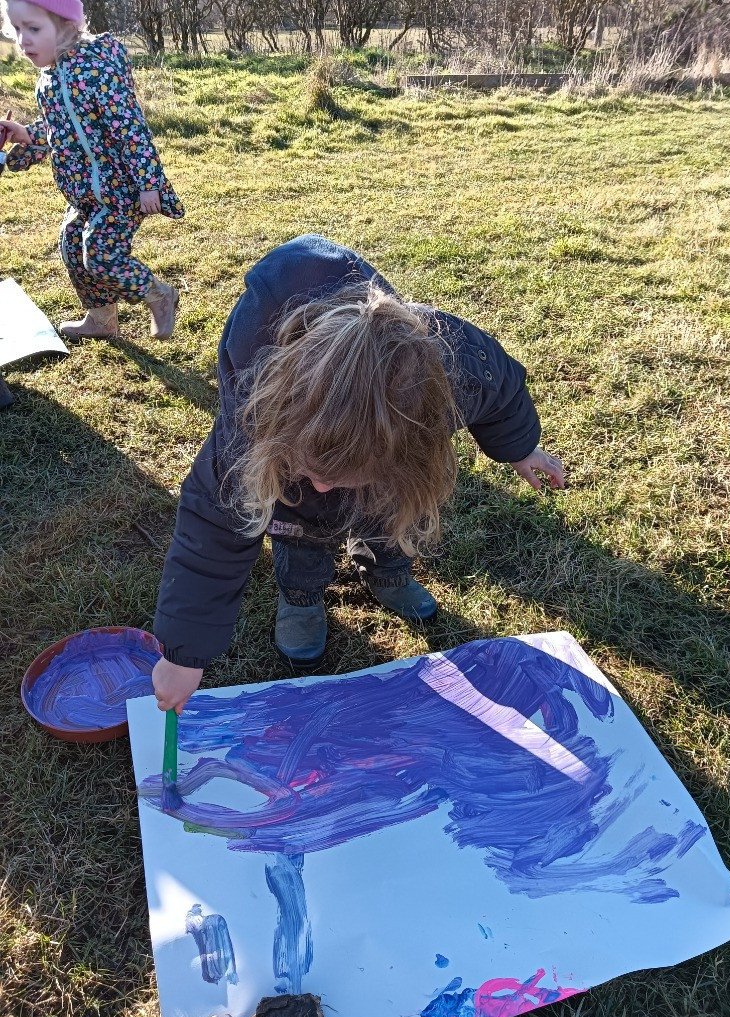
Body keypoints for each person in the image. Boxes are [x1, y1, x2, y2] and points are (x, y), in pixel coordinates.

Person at [152, 234, 565, 713]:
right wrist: (184, 653)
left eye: (345, 475)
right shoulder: (253, 420)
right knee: (300, 527)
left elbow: (504, 389)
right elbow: (213, 522)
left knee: (388, 513)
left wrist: (520, 449)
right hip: (284, 478)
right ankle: (302, 597)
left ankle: (387, 571)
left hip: (390, 471)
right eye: (316, 472)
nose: (324, 486)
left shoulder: (454, 367)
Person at [0, 0, 184, 340]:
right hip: (85, 192)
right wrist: (26, 135)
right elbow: (59, 131)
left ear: (68, 26)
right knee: (72, 245)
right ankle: (102, 321)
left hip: (120, 189)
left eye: (34, 29)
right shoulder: (49, 79)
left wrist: (148, 183)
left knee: (99, 253)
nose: (23, 40)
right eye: (17, 29)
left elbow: (130, 128)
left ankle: (160, 295)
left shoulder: (94, 70)